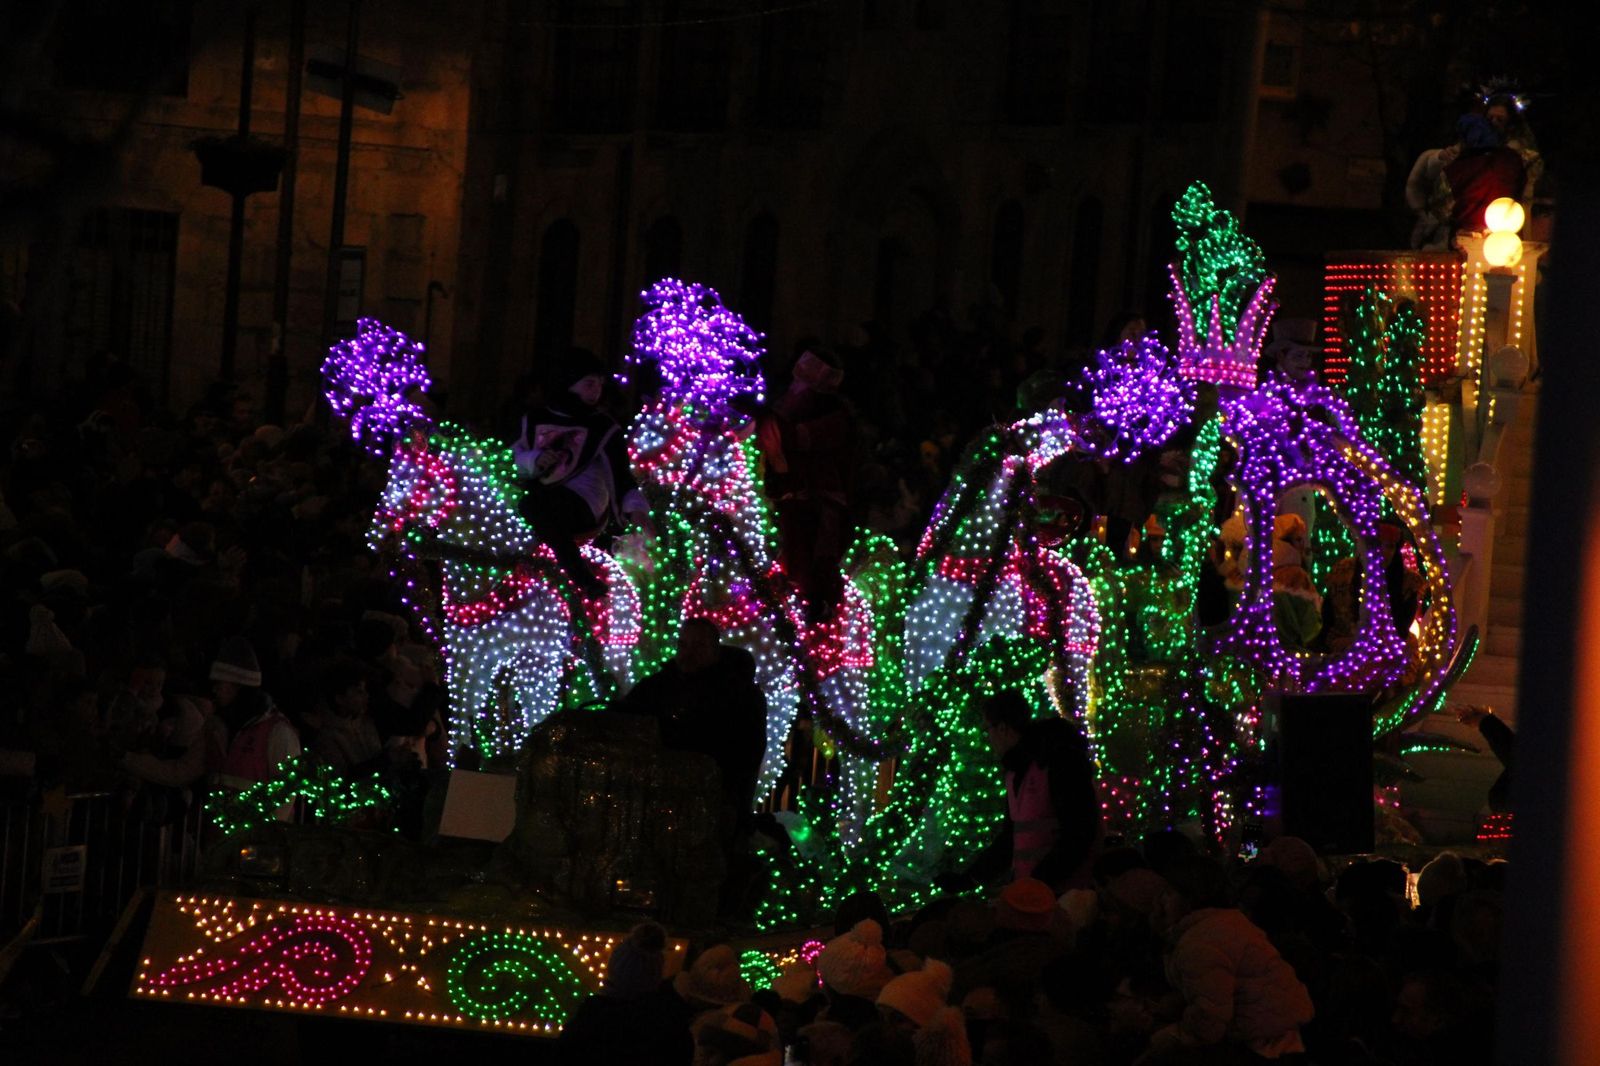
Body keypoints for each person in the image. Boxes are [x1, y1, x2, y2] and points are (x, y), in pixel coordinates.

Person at [1138, 856, 1314, 1064]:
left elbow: (1209, 1021)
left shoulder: (1200, 942)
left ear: (1190, 897)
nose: (1160, 901)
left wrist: (1169, 1036)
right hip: (1278, 1030)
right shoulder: (1222, 923)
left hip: (1260, 1044)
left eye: (1168, 893)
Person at [512, 347, 649, 595]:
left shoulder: (603, 426)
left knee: (533, 505)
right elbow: (514, 456)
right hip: (541, 492)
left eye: (599, 385)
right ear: (569, 382)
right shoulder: (534, 418)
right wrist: (535, 460)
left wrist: (638, 512)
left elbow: (621, 475)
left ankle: (582, 577)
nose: (596, 391)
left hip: (584, 502)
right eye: (589, 384)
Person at [954, 690, 1100, 894]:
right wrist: (969, 879)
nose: (988, 738)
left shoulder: (1057, 760)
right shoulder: (1016, 772)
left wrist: (1039, 881)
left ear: (1003, 728)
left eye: (988, 729)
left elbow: (1079, 833)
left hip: (1067, 897)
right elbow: (1011, 839)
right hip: (1037, 897)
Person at [757, 347, 853, 621]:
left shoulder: (833, 419)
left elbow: (793, 439)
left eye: (802, 383)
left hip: (816, 506)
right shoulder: (782, 412)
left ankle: (811, 616)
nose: (795, 389)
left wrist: (771, 422)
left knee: (808, 570)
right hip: (784, 501)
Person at [210, 636, 301, 796]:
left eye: (219, 683)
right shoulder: (217, 725)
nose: (214, 689)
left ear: (238, 685)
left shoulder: (277, 732)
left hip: (251, 814)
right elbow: (186, 769)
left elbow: (286, 795)